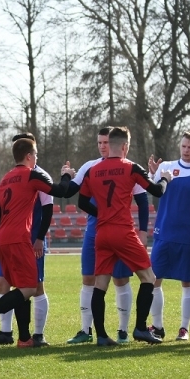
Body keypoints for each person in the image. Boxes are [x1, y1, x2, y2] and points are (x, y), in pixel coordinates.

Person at [0, 136, 76, 345]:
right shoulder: (32, 175)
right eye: (35, 154)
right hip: (20, 238)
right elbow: (61, 191)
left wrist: (6, 228)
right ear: (29, 156)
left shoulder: (6, 178)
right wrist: (66, 175)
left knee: (20, 287)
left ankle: (24, 338)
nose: (36, 158)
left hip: (3, 238)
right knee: (30, 287)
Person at [76, 127, 165, 346]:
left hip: (102, 233)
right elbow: (156, 191)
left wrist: (101, 213)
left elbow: (82, 202)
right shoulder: (131, 167)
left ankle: (101, 336)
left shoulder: (93, 170)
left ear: (111, 144)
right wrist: (164, 178)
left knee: (100, 284)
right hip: (123, 232)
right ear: (125, 146)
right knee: (149, 278)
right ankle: (140, 328)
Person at [64, 127, 147, 345]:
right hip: (97, 231)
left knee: (121, 279)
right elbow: (71, 192)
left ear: (114, 144)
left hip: (114, 231)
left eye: (106, 142)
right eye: (99, 142)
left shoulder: (126, 166)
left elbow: (142, 200)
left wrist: (143, 231)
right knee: (89, 279)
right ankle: (86, 329)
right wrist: (67, 176)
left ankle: (122, 330)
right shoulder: (90, 167)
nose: (103, 146)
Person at [0, 133, 57, 346]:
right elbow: (0, 205)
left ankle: (36, 335)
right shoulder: (16, 175)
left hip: (30, 240)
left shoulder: (39, 175)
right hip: (16, 239)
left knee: (35, 286)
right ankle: (7, 331)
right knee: (10, 284)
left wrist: (40, 238)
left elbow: (48, 208)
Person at [146, 130, 190, 341]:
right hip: (164, 232)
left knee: (187, 282)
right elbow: (153, 189)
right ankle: (157, 326)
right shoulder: (166, 167)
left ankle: (184, 329)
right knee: (154, 280)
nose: (186, 150)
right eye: (183, 146)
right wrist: (152, 175)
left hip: (188, 234)